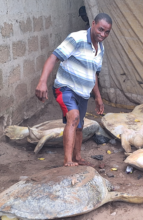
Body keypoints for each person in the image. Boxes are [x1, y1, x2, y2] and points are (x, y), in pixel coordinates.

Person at [35, 13, 112, 167]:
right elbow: (53, 57)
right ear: (93, 23)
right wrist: (42, 82)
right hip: (65, 88)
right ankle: (68, 160)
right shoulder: (77, 38)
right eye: (100, 29)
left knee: (79, 126)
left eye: (107, 32)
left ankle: (77, 157)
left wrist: (98, 97)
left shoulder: (100, 49)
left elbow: (93, 75)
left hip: (83, 93)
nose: (103, 34)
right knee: (74, 117)